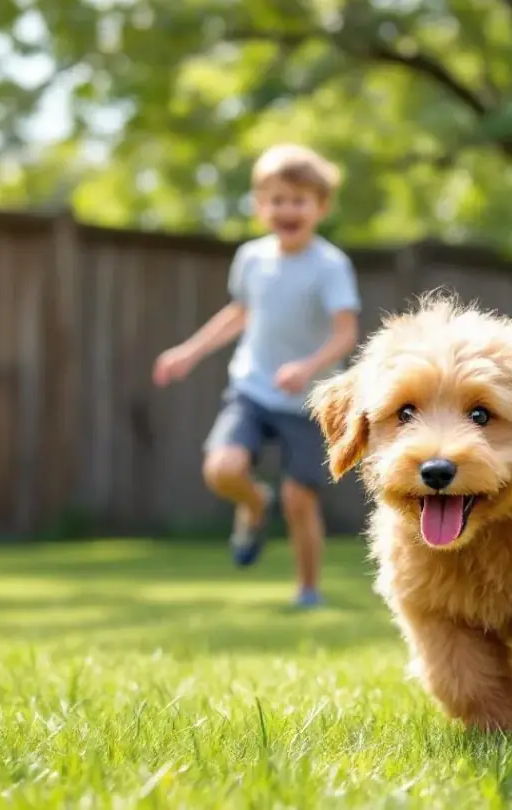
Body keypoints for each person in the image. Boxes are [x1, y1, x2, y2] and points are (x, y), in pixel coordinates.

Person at [152, 143, 361, 609]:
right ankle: (253, 504)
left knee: (299, 499)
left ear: (320, 207)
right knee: (222, 469)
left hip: (310, 399)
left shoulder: (330, 266)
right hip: (252, 388)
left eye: (299, 200)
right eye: (277, 199)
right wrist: (189, 352)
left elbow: (346, 334)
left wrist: (307, 367)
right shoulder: (251, 258)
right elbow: (240, 313)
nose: (287, 209)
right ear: (259, 204)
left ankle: (308, 591)